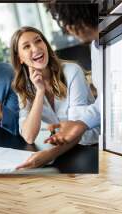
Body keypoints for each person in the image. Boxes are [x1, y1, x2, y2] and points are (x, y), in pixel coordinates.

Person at [10, 26, 99, 169]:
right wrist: (40, 92)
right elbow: (28, 136)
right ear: (20, 58)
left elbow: (75, 128)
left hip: (92, 146)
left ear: (45, 45)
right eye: (26, 46)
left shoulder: (71, 72)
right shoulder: (23, 87)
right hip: (67, 150)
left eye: (38, 41)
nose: (36, 48)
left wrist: (50, 155)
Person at [42, 2, 101, 146]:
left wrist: (79, 125)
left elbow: (86, 135)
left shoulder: (71, 70)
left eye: (64, 20)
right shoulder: (96, 46)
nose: (66, 30)